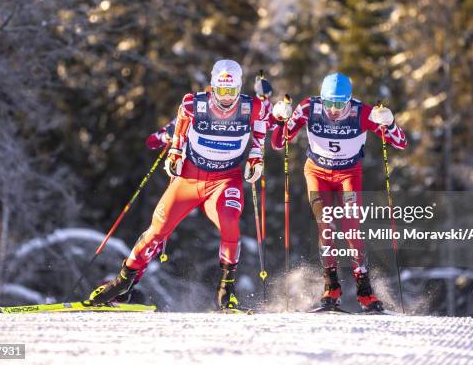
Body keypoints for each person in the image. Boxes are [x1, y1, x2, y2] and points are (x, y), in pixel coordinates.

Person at [89, 59, 269, 310]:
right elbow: (180, 133)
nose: (226, 98)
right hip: (189, 178)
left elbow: (261, 131)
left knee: (230, 223)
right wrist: (174, 153)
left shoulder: (254, 107)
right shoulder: (193, 104)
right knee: (157, 230)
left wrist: (256, 156)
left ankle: (227, 287)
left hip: (225, 180)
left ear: (239, 88)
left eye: (232, 91)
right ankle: (122, 282)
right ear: (212, 87)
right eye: (221, 90)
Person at [270, 72, 407, 312]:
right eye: (329, 103)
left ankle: (365, 292)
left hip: (348, 175)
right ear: (321, 99)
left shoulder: (362, 112)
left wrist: (389, 122)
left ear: (350, 100)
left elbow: (400, 142)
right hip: (317, 173)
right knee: (326, 223)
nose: (333, 110)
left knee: (351, 227)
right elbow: (278, 143)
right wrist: (281, 119)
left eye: (340, 104)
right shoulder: (308, 109)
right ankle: (331, 288)